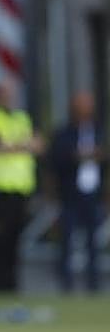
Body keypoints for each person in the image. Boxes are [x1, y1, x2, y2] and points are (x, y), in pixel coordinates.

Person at [0, 79, 42, 294]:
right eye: (5, 92)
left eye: (11, 93)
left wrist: (17, 145)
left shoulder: (21, 117)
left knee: (14, 238)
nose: (9, 97)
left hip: (20, 188)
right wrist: (23, 145)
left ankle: (11, 286)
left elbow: (38, 144)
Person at [49, 90, 105, 292]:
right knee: (67, 239)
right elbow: (56, 160)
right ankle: (66, 283)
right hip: (70, 193)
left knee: (93, 240)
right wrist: (77, 156)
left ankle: (93, 283)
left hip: (93, 194)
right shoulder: (64, 133)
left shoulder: (98, 131)